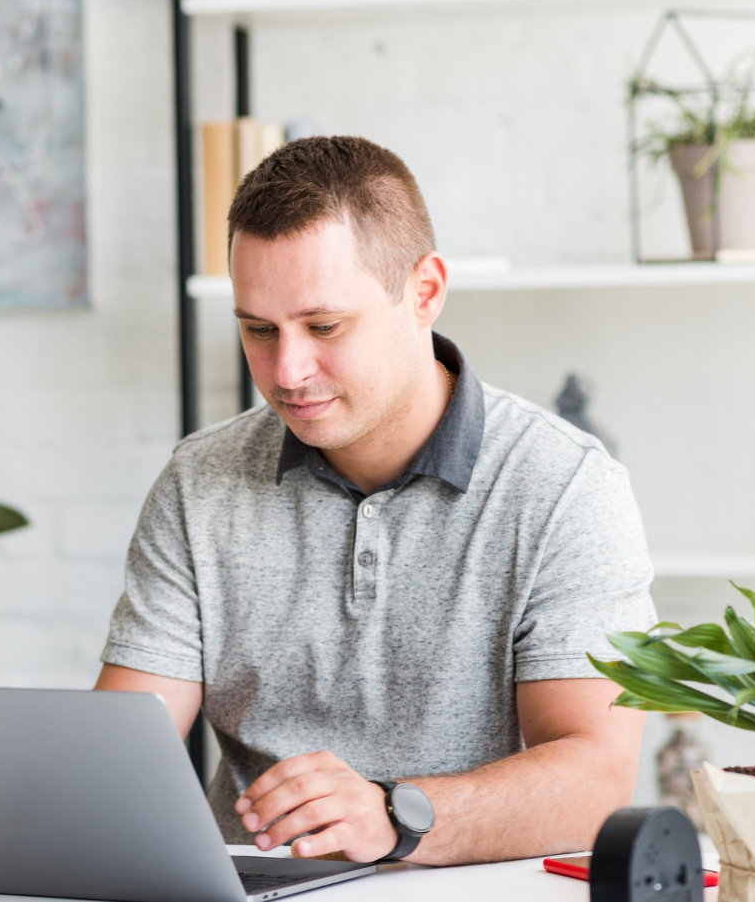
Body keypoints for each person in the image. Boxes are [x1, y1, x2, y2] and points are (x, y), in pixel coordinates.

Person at [95, 136, 655, 867]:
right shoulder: (200, 481)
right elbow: (118, 753)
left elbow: (596, 778)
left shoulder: (565, 486)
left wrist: (395, 813)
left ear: (423, 291)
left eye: (324, 326)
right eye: (258, 330)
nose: (288, 370)